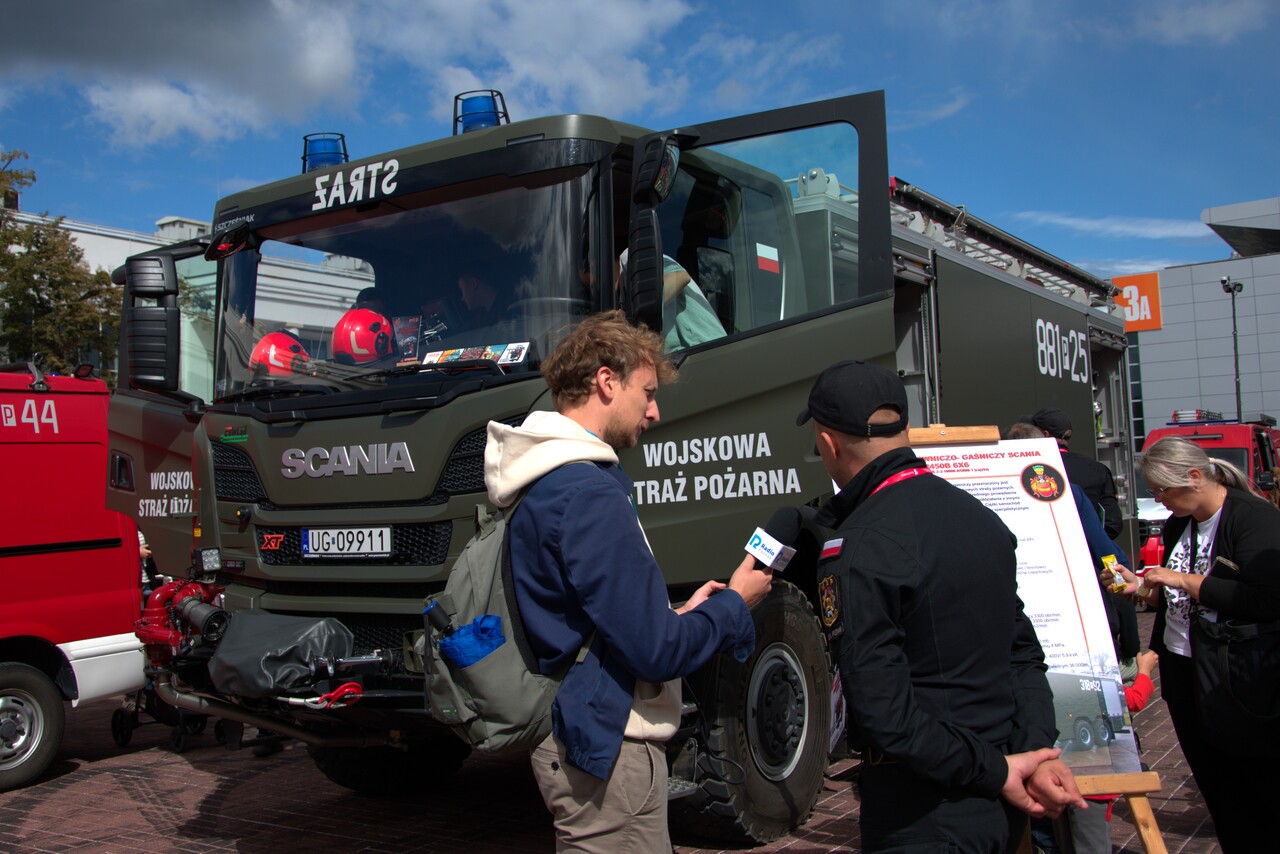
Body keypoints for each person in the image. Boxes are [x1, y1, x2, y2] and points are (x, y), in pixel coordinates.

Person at [483, 309, 771, 853]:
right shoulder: (587, 493)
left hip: (575, 729)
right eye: (648, 392)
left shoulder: (543, 479)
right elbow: (656, 652)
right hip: (611, 746)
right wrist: (735, 604)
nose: (655, 412)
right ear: (606, 382)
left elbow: (591, 621)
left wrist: (678, 614)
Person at [801, 361, 1085, 853]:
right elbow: (1022, 656)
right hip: (1002, 798)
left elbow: (886, 713)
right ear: (904, 428)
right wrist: (1032, 753)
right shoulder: (980, 519)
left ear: (829, 444)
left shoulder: (862, 545)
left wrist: (1000, 770)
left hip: (924, 806)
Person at [1111, 435, 1280, 852]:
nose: (1159, 499)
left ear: (1193, 477)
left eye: (1162, 490)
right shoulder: (1178, 523)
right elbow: (1174, 593)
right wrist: (1142, 587)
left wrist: (1181, 579)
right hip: (1185, 669)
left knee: (1254, 785)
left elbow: (1265, 600)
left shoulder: (1252, 517)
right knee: (1217, 786)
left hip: (1235, 675)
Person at [1022, 408, 1123, 539]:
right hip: (1088, 552)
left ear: (1045, 434)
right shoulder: (1097, 469)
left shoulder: (1028, 469)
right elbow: (1112, 524)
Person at [617, 249, 725, 351]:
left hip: (707, 348)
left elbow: (680, 276)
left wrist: (631, 316)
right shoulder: (623, 293)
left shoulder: (629, 257)